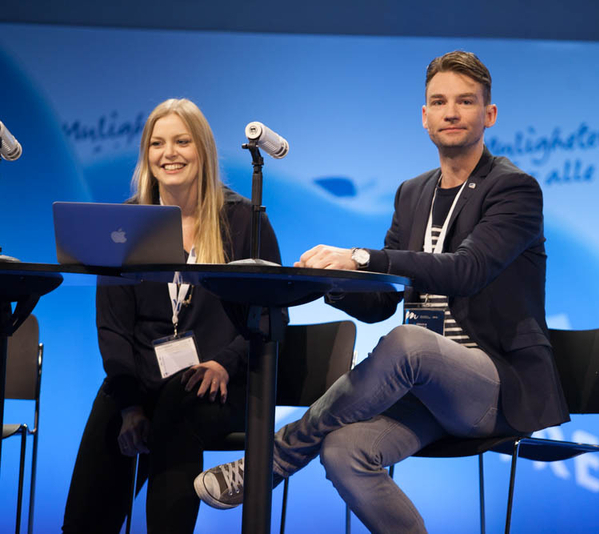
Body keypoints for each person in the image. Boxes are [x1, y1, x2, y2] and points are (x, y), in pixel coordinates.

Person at [195, 51, 569, 533]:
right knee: (343, 450)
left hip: (497, 385)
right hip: (428, 390)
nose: (451, 112)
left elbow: (467, 271)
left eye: (465, 102)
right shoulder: (412, 193)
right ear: (424, 116)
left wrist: (363, 257)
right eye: (439, 101)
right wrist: (333, 280)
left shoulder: (514, 189)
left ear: (488, 115)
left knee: (409, 344)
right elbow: (381, 303)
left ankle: (272, 458)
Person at [62, 98, 283, 533]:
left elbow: (273, 311)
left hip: (218, 382)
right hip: (140, 381)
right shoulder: (125, 223)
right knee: (88, 505)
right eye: (158, 144)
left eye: (182, 141)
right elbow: (112, 327)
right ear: (147, 154)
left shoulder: (243, 219)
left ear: (203, 150)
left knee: (180, 410)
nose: (170, 154)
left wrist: (225, 361)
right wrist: (128, 406)